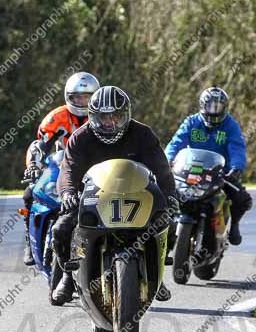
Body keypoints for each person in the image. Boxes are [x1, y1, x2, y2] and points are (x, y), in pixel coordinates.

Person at [52, 85, 179, 303]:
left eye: (116, 117)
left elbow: (162, 169)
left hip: (136, 197)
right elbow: (69, 170)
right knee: (61, 228)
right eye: (103, 117)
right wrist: (68, 194)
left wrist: (170, 195)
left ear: (126, 115)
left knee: (169, 221)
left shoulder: (143, 134)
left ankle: (155, 276)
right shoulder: (80, 138)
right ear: (92, 117)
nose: (109, 123)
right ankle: (66, 275)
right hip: (93, 198)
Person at [21, 72, 100, 266]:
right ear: (68, 97)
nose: (82, 102)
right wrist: (33, 165)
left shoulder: (104, 116)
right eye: (77, 97)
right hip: (63, 164)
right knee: (30, 193)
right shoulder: (57, 117)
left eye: (87, 97)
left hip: (95, 167)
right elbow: (41, 143)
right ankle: (28, 243)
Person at [165, 86, 252, 245]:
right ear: (202, 106)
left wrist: (236, 169)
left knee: (242, 198)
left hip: (220, 173)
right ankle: (168, 230)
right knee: (165, 193)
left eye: (217, 106)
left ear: (224, 108)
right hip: (190, 170)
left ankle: (234, 226)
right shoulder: (191, 122)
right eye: (210, 106)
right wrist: (167, 160)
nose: (213, 111)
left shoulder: (230, 125)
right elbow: (175, 143)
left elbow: (237, 148)